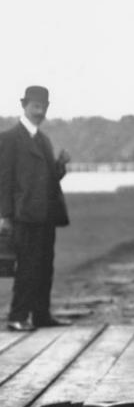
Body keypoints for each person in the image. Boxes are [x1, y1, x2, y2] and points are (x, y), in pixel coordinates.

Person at [0, 86, 71, 331]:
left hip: (45, 217)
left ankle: (41, 316)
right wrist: (4, 216)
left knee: (44, 267)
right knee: (27, 268)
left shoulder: (43, 139)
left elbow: (48, 180)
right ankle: (17, 317)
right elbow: (4, 179)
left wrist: (59, 166)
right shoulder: (9, 138)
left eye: (44, 107)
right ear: (24, 105)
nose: (40, 112)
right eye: (36, 106)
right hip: (23, 216)